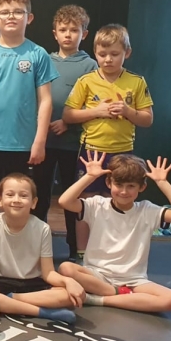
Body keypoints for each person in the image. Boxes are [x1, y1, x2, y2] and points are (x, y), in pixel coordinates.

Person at [0, 0, 58, 270]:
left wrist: (39, 140)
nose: (11, 17)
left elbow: (45, 101)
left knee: (20, 200)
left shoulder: (38, 54)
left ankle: (17, 256)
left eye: (18, 12)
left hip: (24, 143)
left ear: (29, 17)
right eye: (5, 12)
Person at [58, 152, 171, 312]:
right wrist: (90, 176)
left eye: (131, 186)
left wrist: (162, 182)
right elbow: (64, 201)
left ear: (142, 187)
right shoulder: (97, 205)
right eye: (119, 185)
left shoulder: (147, 210)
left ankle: (99, 299)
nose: (123, 191)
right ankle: (119, 294)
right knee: (66, 268)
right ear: (109, 183)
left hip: (133, 280)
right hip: (97, 274)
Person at [62, 24, 153, 257]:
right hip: (92, 152)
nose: (108, 59)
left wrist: (128, 111)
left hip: (123, 153)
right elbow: (68, 115)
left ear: (127, 53)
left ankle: (110, 253)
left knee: (118, 203)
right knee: (87, 204)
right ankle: (82, 253)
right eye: (102, 54)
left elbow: (147, 120)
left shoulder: (136, 82)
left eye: (114, 54)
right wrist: (97, 111)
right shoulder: (86, 81)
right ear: (95, 53)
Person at [0, 173, 84, 324]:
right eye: (10, 194)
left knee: (69, 295)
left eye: (23, 195)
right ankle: (43, 312)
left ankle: (10, 301)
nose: (16, 200)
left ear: (33, 202)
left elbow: (48, 273)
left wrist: (68, 281)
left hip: (33, 283)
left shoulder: (42, 228)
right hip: (0, 282)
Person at [33, 5, 97, 261]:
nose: (68, 34)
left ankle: (74, 249)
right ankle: (37, 247)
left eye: (74, 30)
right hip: (44, 142)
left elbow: (93, 104)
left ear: (84, 34)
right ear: (55, 33)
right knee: (40, 194)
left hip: (73, 143)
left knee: (73, 196)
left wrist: (67, 124)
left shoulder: (90, 65)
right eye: (63, 30)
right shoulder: (44, 60)